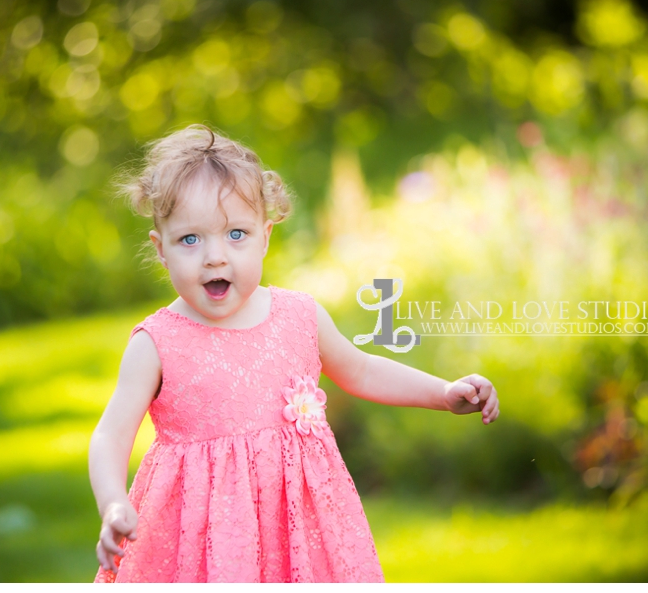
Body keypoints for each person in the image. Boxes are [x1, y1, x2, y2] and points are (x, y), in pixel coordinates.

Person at [90, 125, 499, 583]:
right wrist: (113, 503)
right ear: (160, 249)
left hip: (301, 529)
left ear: (265, 236)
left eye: (236, 234)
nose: (215, 257)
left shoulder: (299, 316)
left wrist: (443, 393)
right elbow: (110, 435)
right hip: (202, 541)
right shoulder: (158, 342)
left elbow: (361, 370)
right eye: (190, 239)